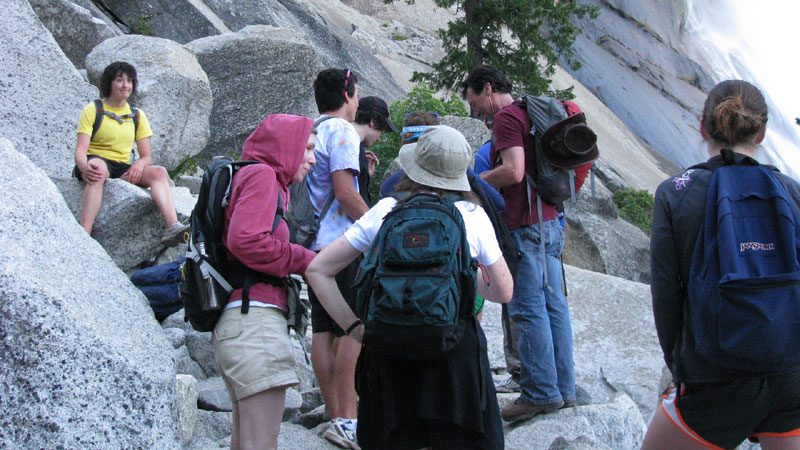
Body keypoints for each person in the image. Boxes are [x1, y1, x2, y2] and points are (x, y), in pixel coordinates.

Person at [306, 125, 514, 450]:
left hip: (387, 349)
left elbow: (318, 270)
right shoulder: (471, 215)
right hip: (452, 351)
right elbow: (503, 291)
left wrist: (354, 328)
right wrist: (458, 280)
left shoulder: (385, 210)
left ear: (414, 166)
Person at [642, 80, 800, 449]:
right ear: (761, 133)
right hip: (791, 377)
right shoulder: (792, 192)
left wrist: (682, 373)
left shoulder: (676, 192)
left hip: (716, 382)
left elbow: (666, 297)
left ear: (702, 127)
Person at [462, 65, 591, 422]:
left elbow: (514, 171)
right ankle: (563, 388)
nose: (477, 113)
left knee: (527, 307)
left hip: (524, 224)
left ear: (488, 88)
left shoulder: (506, 118)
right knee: (554, 307)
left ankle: (538, 392)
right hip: (551, 220)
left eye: (475, 104)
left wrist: (471, 182)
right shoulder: (531, 112)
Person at [211, 114, 317, 450]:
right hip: (255, 323)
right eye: (308, 148)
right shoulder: (262, 176)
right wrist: (306, 260)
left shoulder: (259, 179)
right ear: (286, 147)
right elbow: (245, 241)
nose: (313, 159)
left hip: (242, 322)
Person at [305, 68, 370, 449]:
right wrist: (377, 227)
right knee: (353, 328)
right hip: (341, 246)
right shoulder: (343, 132)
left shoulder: (312, 129)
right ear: (346, 93)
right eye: (357, 94)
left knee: (323, 329)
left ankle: (335, 415)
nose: (358, 101)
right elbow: (346, 194)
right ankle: (349, 418)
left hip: (312, 247)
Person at [73, 61, 188, 246]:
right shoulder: (93, 109)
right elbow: (80, 150)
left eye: (129, 81)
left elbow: (146, 156)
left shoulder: (137, 115)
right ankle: (84, 232)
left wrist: (138, 165)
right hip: (96, 160)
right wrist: (84, 167)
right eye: (119, 80)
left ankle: (172, 226)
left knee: (158, 173)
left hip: (123, 166)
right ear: (109, 83)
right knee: (98, 170)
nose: (125, 85)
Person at [351, 95, 397, 206]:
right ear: (373, 122)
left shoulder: (356, 148)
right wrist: (368, 221)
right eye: (382, 131)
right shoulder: (350, 145)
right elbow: (346, 194)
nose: (379, 138)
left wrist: (364, 174)